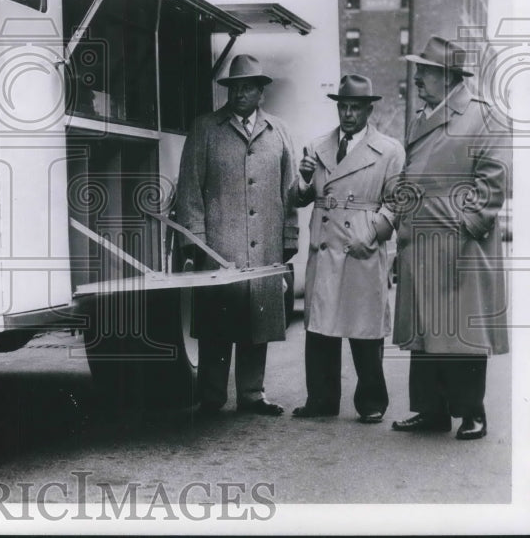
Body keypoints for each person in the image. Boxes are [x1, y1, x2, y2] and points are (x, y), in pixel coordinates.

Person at [391, 36, 510, 441]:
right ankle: (431, 411)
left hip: (458, 244)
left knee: (462, 331)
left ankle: (471, 412)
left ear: (448, 76)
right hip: (419, 239)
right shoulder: (422, 117)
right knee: (425, 332)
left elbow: (491, 187)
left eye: (424, 70)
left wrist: (460, 229)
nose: (418, 77)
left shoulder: (484, 117)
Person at [174, 54, 298, 416]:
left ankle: (252, 394)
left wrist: (289, 238)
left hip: (265, 245)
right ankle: (212, 396)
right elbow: (190, 191)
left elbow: (289, 190)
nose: (240, 93)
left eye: (248, 87)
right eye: (235, 87)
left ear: (262, 93)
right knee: (217, 321)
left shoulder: (280, 132)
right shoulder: (206, 129)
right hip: (218, 246)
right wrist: (194, 244)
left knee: (256, 319)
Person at [291, 74, 405, 423]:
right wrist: (306, 177)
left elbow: (396, 203)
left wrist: (369, 233)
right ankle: (321, 400)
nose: (348, 114)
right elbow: (298, 197)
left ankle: (371, 402)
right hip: (325, 246)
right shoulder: (317, 147)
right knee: (321, 327)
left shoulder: (389, 151)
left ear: (369, 110)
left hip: (360, 246)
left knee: (364, 328)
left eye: (356, 108)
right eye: (344, 107)